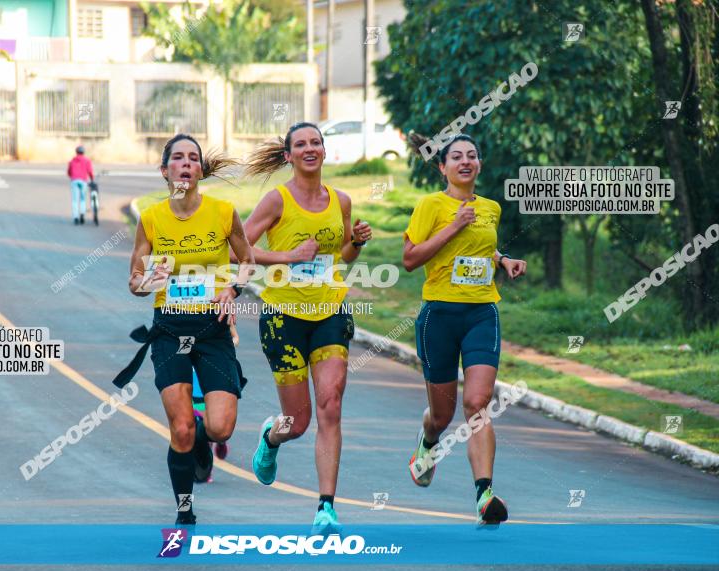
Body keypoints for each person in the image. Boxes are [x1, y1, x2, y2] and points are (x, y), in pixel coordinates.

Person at [114, 134, 254, 526]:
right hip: (170, 330)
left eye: (193, 158)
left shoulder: (224, 212)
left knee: (220, 427)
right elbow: (134, 283)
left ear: (201, 170)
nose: (187, 164)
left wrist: (233, 287)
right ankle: (184, 509)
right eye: (178, 158)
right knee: (180, 428)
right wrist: (150, 282)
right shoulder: (152, 218)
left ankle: (202, 433)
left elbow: (247, 259)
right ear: (165, 170)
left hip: (213, 329)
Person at [243, 122, 372, 532]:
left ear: (324, 150)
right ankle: (270, 438)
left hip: (331, 312)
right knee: (297, 423)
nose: (310, 148)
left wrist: (358, 242)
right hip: (283, 318)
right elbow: (239, 248)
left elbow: (344, 256)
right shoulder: (276, 201)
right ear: (289, 156)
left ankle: (326, 508)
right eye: (301, 144)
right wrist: (289, 256)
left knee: (330, 405)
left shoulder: (342, 200)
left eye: (316, 142)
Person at [403, 134, 527, 527]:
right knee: (442, 414)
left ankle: (484, 494)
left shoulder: (490, 208)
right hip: (438, 316)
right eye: (456, 157)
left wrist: (502, 259)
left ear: (479, 164)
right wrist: (454, 226)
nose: (465, 161)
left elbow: (478, 247)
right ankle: (428, 441)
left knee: (477, 403)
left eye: (472, 155)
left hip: (481, 314)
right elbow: (409, 258)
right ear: (443, 167)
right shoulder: (430, 205)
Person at [67, 146, 94, 225]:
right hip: (83, 181)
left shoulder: (72, 161)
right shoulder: (87, 161)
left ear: (76, 152)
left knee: (75, 200)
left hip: (74, 180)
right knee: (82, 199)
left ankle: (76, 217)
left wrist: (72, 177)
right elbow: (90, 171)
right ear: (84, 152)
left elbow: (69, 172)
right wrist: (92, 179)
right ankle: (82, 213)